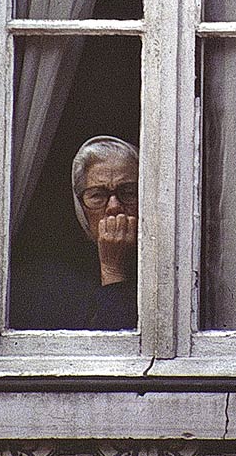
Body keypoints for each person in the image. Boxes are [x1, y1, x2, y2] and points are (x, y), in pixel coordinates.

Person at [10, 136, 139, 330]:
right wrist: (111, 268)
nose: (114, 207)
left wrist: (113, 271)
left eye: (128, 193)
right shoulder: (47, 282)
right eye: (97, 195)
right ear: (80, 206)